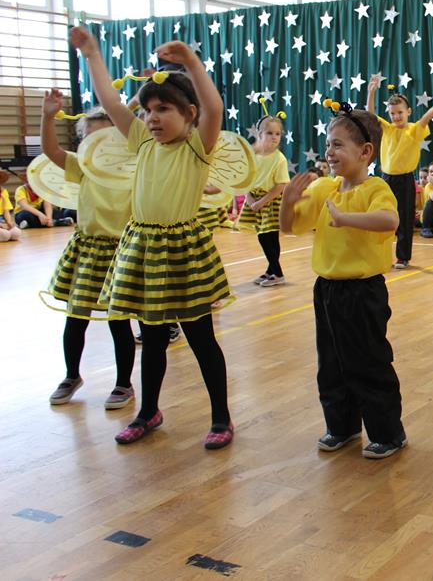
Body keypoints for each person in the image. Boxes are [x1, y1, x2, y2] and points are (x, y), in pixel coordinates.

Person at [73, 26, 237, 449]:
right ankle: (149, 412)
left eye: (163, 109)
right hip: (143, 248)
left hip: (182, 250)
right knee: (154, 338)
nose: (152, 118)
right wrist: (92, 54)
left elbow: (215, 107)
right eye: (147, 111)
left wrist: (192, 63)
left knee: (201, 338)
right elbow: (111, 102)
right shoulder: (143, 143)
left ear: (189, 114)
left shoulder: (197, 147)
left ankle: (221, 417)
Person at [279, 104, 406, 459]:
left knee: (368, 362)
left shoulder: (376, 187)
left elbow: (389, 221)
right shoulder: (324, 188)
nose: (329, 152)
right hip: (327, 290)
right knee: (331, 363)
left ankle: (388, 433)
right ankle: (342, 426)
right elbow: (289, 227)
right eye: (327, 144)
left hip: (363, 291)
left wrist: (347, 218)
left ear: (365, 152)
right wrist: (287, 201)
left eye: (337, 145)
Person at [38, 100, 136, 409]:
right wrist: (47, 117)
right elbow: (52, 151)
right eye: (88, 139)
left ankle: (124, 383)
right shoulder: (83, 168)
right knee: (76, 316)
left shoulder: (131, 170)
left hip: (120, 251)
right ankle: (71, 375)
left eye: (104, 139)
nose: (96, 146)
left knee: (118, 321)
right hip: (88, 249)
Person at [365, 75, 433, 269]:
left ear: (408, 112)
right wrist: (371, 92)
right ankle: (379, 254)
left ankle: (403, 257)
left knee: (404, 219)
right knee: (381, 216)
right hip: (386, 179)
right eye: (392, 113)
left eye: (400, 113)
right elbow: (370, 115)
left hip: (404, 180)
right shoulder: (387, 129)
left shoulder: (413, 130)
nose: (396, 117)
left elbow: (425, 119)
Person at [238, 106, 290, 287]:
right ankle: (271, 271)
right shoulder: (253, 156)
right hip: (255, 200)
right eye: (269, 133)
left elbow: (281, 185)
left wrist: (261, 202)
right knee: (263, 236)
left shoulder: (279, 159)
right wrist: (251, 200)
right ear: (259, 134)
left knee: (269, 237)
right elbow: (245, 180)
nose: (274, 137)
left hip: (270, 201)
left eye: (277, 134)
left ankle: (278, 273)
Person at [0, 170, 23, 242]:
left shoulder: (3, 192)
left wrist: (9, 222)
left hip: (1, 218)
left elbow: (6, 210)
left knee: (16, 233)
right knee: (5, 235)